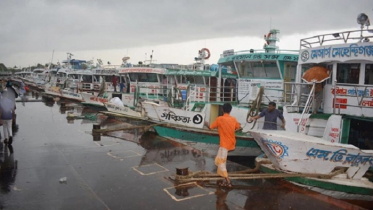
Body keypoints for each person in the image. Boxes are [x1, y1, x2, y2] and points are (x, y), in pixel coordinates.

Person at [205, 103, 240, 188]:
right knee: (218, 161)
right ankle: (221, 179)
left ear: (222, 110)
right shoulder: (233, 119)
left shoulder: (220, 119)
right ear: (230, 110)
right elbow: (238, 127)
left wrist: (206, 123)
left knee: (220, 162)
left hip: (224, 145)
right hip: (230, 143)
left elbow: (211, 127)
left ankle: (228, 181)